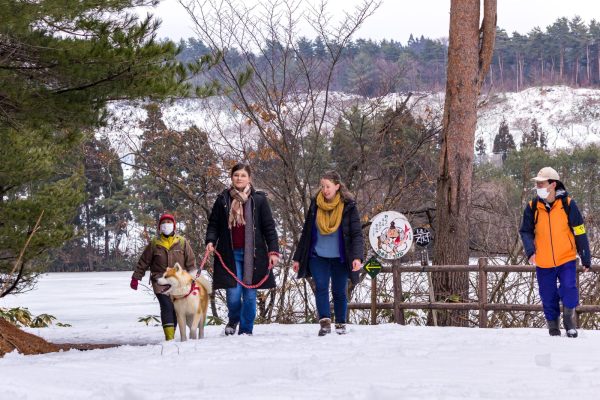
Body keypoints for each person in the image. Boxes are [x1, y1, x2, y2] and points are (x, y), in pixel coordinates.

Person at [205, 163, 280, 336]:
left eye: (243, 175)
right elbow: (214, 224)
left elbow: (269, 227)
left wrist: (273, 251)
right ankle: (233, 319)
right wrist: (210, 241)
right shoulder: (222, 199)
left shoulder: (259, 200)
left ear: (249, 178)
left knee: (250, 295)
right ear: (231, 177)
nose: (239, 178)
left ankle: (246, 330)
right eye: (236, 175)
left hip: (253, 255)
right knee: (233, 293)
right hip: (229, 254)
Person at [519, 167, 591, 338]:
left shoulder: (568, 204)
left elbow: (579, 231)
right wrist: (530, 252)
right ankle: (553, 326)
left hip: (566, 258)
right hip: (543, 261)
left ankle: (569, 321)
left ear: (553, 184)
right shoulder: (532, 206)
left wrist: (585, 257)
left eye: (541, 183)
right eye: (537, 183)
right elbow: (525, 231)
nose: (538, 186)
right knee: (547, 295)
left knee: (569, 288)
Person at [292, 171, 364, 336]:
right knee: (321, 288)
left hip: (340, 258)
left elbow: (356, 234)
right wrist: (298, 258)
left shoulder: (349, 206)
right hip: (318, 256)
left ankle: (340, 323)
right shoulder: (315, 204)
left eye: (328, 186)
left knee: (339, 291)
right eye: (322, 186)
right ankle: (324, 323)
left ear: (337, 186)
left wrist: (357, 257)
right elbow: (306, 232)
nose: (324, 190)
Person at [130, 213, 196, 341]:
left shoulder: (182, 242)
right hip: (160, 280)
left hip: (179, 283)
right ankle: (169, 338)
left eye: (169, 222)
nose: (166, 225)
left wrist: (193, 279)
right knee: (166, 305)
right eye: (163, 222)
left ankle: (172, 333)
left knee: (175, 308)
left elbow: (191, 263)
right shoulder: (154, 243)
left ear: (174, 226)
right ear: (160, 226)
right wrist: (136, 278)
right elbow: (144, 261)